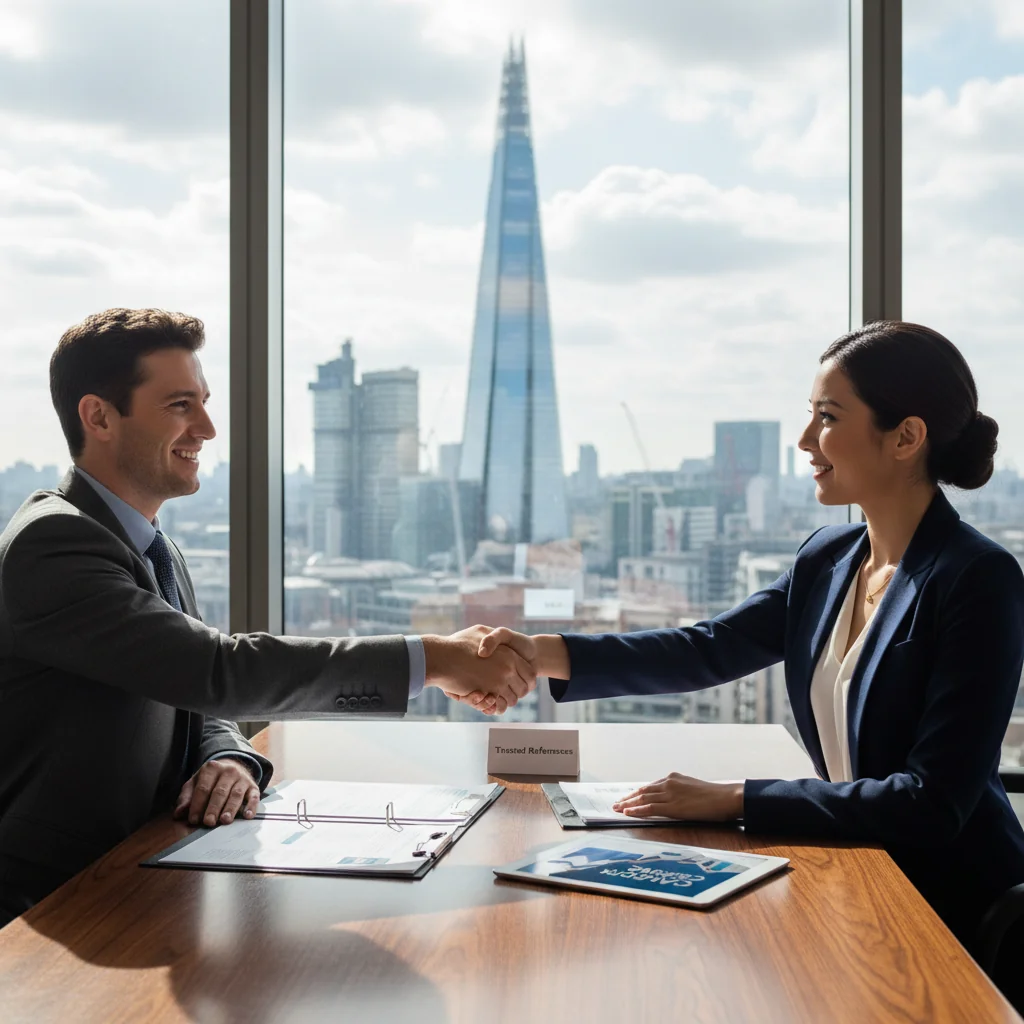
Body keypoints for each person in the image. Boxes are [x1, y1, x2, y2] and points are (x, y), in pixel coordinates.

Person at [464, 321, 1024, 986]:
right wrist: (540, 651)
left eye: (827, 418)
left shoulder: (976, 578)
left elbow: (933, 803)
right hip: (856, 877)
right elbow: (710, 648)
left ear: (906, 437)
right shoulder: (828, 558)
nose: (805, 441)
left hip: (957, 914)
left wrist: (732, 799)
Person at [0, 307, 533, 926]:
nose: (207, 427)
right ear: (99, 416)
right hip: (53, 908)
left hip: (145, 878)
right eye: (180, 405)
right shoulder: (55, 546)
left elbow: (187, 695)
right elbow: (213, 669)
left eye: (203, 401)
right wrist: (434, 658)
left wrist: (229, 757)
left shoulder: (151, 544)